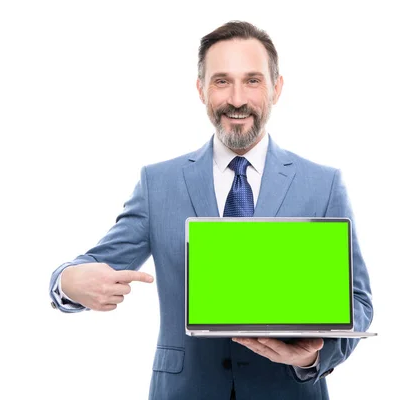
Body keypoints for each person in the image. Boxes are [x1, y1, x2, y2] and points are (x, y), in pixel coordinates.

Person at [49, 20, 373, 400]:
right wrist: (68, 283)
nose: (237, 98)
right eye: (222, 81)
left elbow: (359, 302)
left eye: (252, 80)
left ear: (276, 88)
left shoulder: (323, 183)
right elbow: (94, 264)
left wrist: (308, 359)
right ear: (201, 89)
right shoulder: (159, 183)